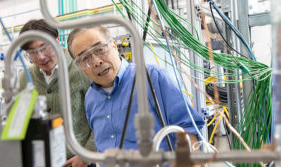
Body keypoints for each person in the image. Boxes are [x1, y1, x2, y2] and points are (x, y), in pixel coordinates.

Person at [67, 26, 204, 153]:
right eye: (85, 58)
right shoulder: (91, 98)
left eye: (100, 50)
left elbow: (188, 129)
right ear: (80, 67)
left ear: (114, 46)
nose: (97, 62)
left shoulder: (152, 78)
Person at [18, 19, 96, 167]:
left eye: (44, 48)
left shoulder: (81, 69)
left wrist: (86, 155)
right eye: (32, 53)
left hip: (77, 162)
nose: (40, 57)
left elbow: (100, 118)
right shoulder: (25, 77)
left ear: (57, 40)